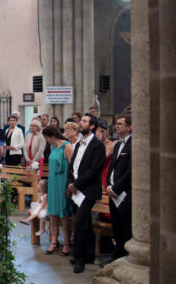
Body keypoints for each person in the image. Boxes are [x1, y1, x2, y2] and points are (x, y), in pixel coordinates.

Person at [66, 113, 105, 273]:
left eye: (84, 121)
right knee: (85, 223)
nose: (80, 123)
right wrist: (70, 182)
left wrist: (76, 183)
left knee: (80, 223)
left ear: (92, 126)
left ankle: (79, 259)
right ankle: (88, 254)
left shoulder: (97, 145)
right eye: (81, 120)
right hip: (75, 189)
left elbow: (94, 169)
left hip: (88, 189)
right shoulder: (79, 143)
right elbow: (73, 165)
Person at [43, 126, 74, 256]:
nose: (46, 140)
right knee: (53, 213)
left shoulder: (66, 146)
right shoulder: (53, 147)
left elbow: (72, 166)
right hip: (53, 182)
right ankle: (54, 241)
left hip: (63, 182)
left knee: (64, 213)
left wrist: (70, 184)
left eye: (46, 138)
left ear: (51, 136)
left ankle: (67, 243)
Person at [106, 115, 132, 262]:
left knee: (126, 227)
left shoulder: (132, 144)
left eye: (120, 124)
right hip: (113, 192)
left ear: (129, 127)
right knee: (117, 228)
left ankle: (128, 257)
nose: (117, 126)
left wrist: (116, 188)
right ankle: (118, 254)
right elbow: (113, 167)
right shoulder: (117, 145)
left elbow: (130, 171)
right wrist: (109, 185)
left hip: (124, 194)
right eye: (116, 124)